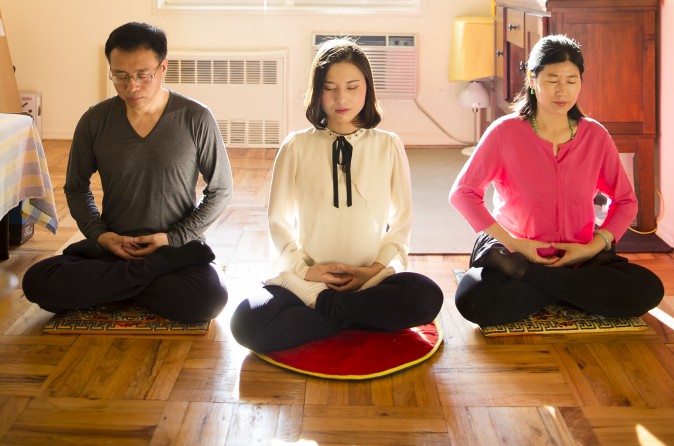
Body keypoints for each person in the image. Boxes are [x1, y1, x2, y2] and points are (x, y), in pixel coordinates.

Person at [230, 37, 444, 352]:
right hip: (310, 282)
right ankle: (348, 314)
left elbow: (402, 222)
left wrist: (374, 270)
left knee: (426, 296)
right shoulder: (296, 145)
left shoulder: (388, 144)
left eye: (352, 86)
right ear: (317, 92)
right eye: (329, 88)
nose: (341, 97)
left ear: (368, 89)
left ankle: (327, 315)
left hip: (370, 280)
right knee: (246, 322)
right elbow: (278, 221)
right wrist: (305, 270)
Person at [449, 34, 664, 327]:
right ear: (533, 80)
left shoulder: (595, 135)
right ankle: (573, 291)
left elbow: (626, 201)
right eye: (552, 79)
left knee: (648, 289)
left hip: (581, 255)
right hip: (516, 255)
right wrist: (517, 244)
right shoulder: (504, 133)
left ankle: (544, 286)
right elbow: (463, 194)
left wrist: (593, 246)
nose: (562, 90)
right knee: (473, 299)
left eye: (572, 80)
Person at [23, 21, 232, 322]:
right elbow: (76, 187)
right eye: (120, 76)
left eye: (142, 75)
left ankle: (114, 286)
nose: (132, 87)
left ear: (163, 68)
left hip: (174, 248)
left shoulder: (195, 117)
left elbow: (221, 189)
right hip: (114, 245)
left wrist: (174, 238)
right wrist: (100, 235)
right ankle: (143, 282)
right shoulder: (94, 121)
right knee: (37, 280)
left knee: (209, 300)